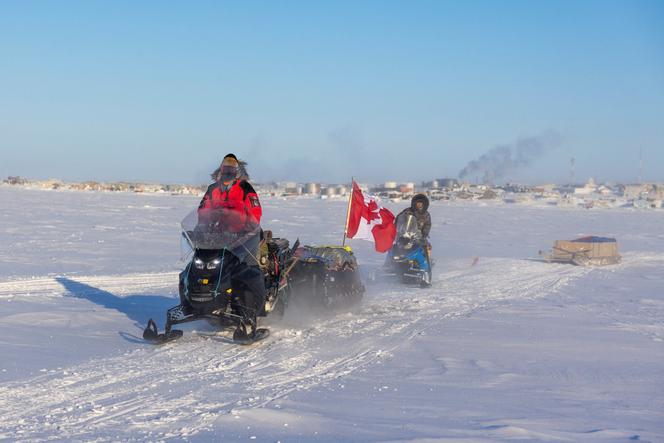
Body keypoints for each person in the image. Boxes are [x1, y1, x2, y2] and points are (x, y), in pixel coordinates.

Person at [197, 153, 266, 335]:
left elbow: (255, 212)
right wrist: (201, 227)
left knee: (247, 268)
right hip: (220, 236)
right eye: (224, 169)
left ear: (237, 172)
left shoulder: (245, 188)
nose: (227, 173)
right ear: (220, 171)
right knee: (203, 266)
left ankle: (255, 309)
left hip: (245, 235)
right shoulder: (213, 189)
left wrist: (247, 226)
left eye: (231, 170)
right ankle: (201, 303)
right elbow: (203, 209)